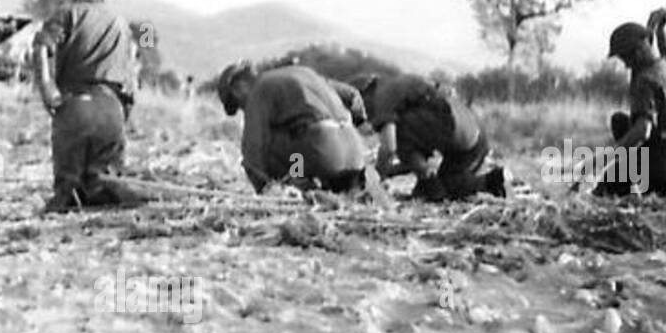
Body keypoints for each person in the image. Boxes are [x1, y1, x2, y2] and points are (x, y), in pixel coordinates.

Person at [31, 0, 145, 212]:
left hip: (75, 104)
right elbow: (132, 70)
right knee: (106, 185)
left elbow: (40, 47)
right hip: (112, 107)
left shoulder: (68, 13)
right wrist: (123, 111)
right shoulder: (121, 23)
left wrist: (47, 88)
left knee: (67, 189)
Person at [216, 60, 368, 193]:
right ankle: (335, 184)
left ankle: (297, 184)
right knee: (296, 134)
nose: (243, 110)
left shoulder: (259, 88)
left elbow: (253, 148)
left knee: (269, 144)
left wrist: (264, 188)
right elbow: (353, 96)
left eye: (238, 105)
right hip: (355, 154)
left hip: (323, 155)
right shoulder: (304, 73)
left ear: (238, 88)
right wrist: (351, 126)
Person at [360, 74, 505, 200]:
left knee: (399, 130)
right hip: (475, 136)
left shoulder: (382, 95)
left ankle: (428, 183)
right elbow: (411, 157)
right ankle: (494, 181)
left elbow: (389, 147)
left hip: (452, 124)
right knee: (449, 185)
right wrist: (392, 171)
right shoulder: (403, 86)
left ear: (364, 95)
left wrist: (376, 179)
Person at [599, 5, 666, 196]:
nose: (626, 63)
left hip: (658, 170)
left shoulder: (644, 81)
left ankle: (634, 184)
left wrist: (606, 158)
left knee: (602, 193)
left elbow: (642, 130)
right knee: (621, 121)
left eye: (626, 56)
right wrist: (658, 29)